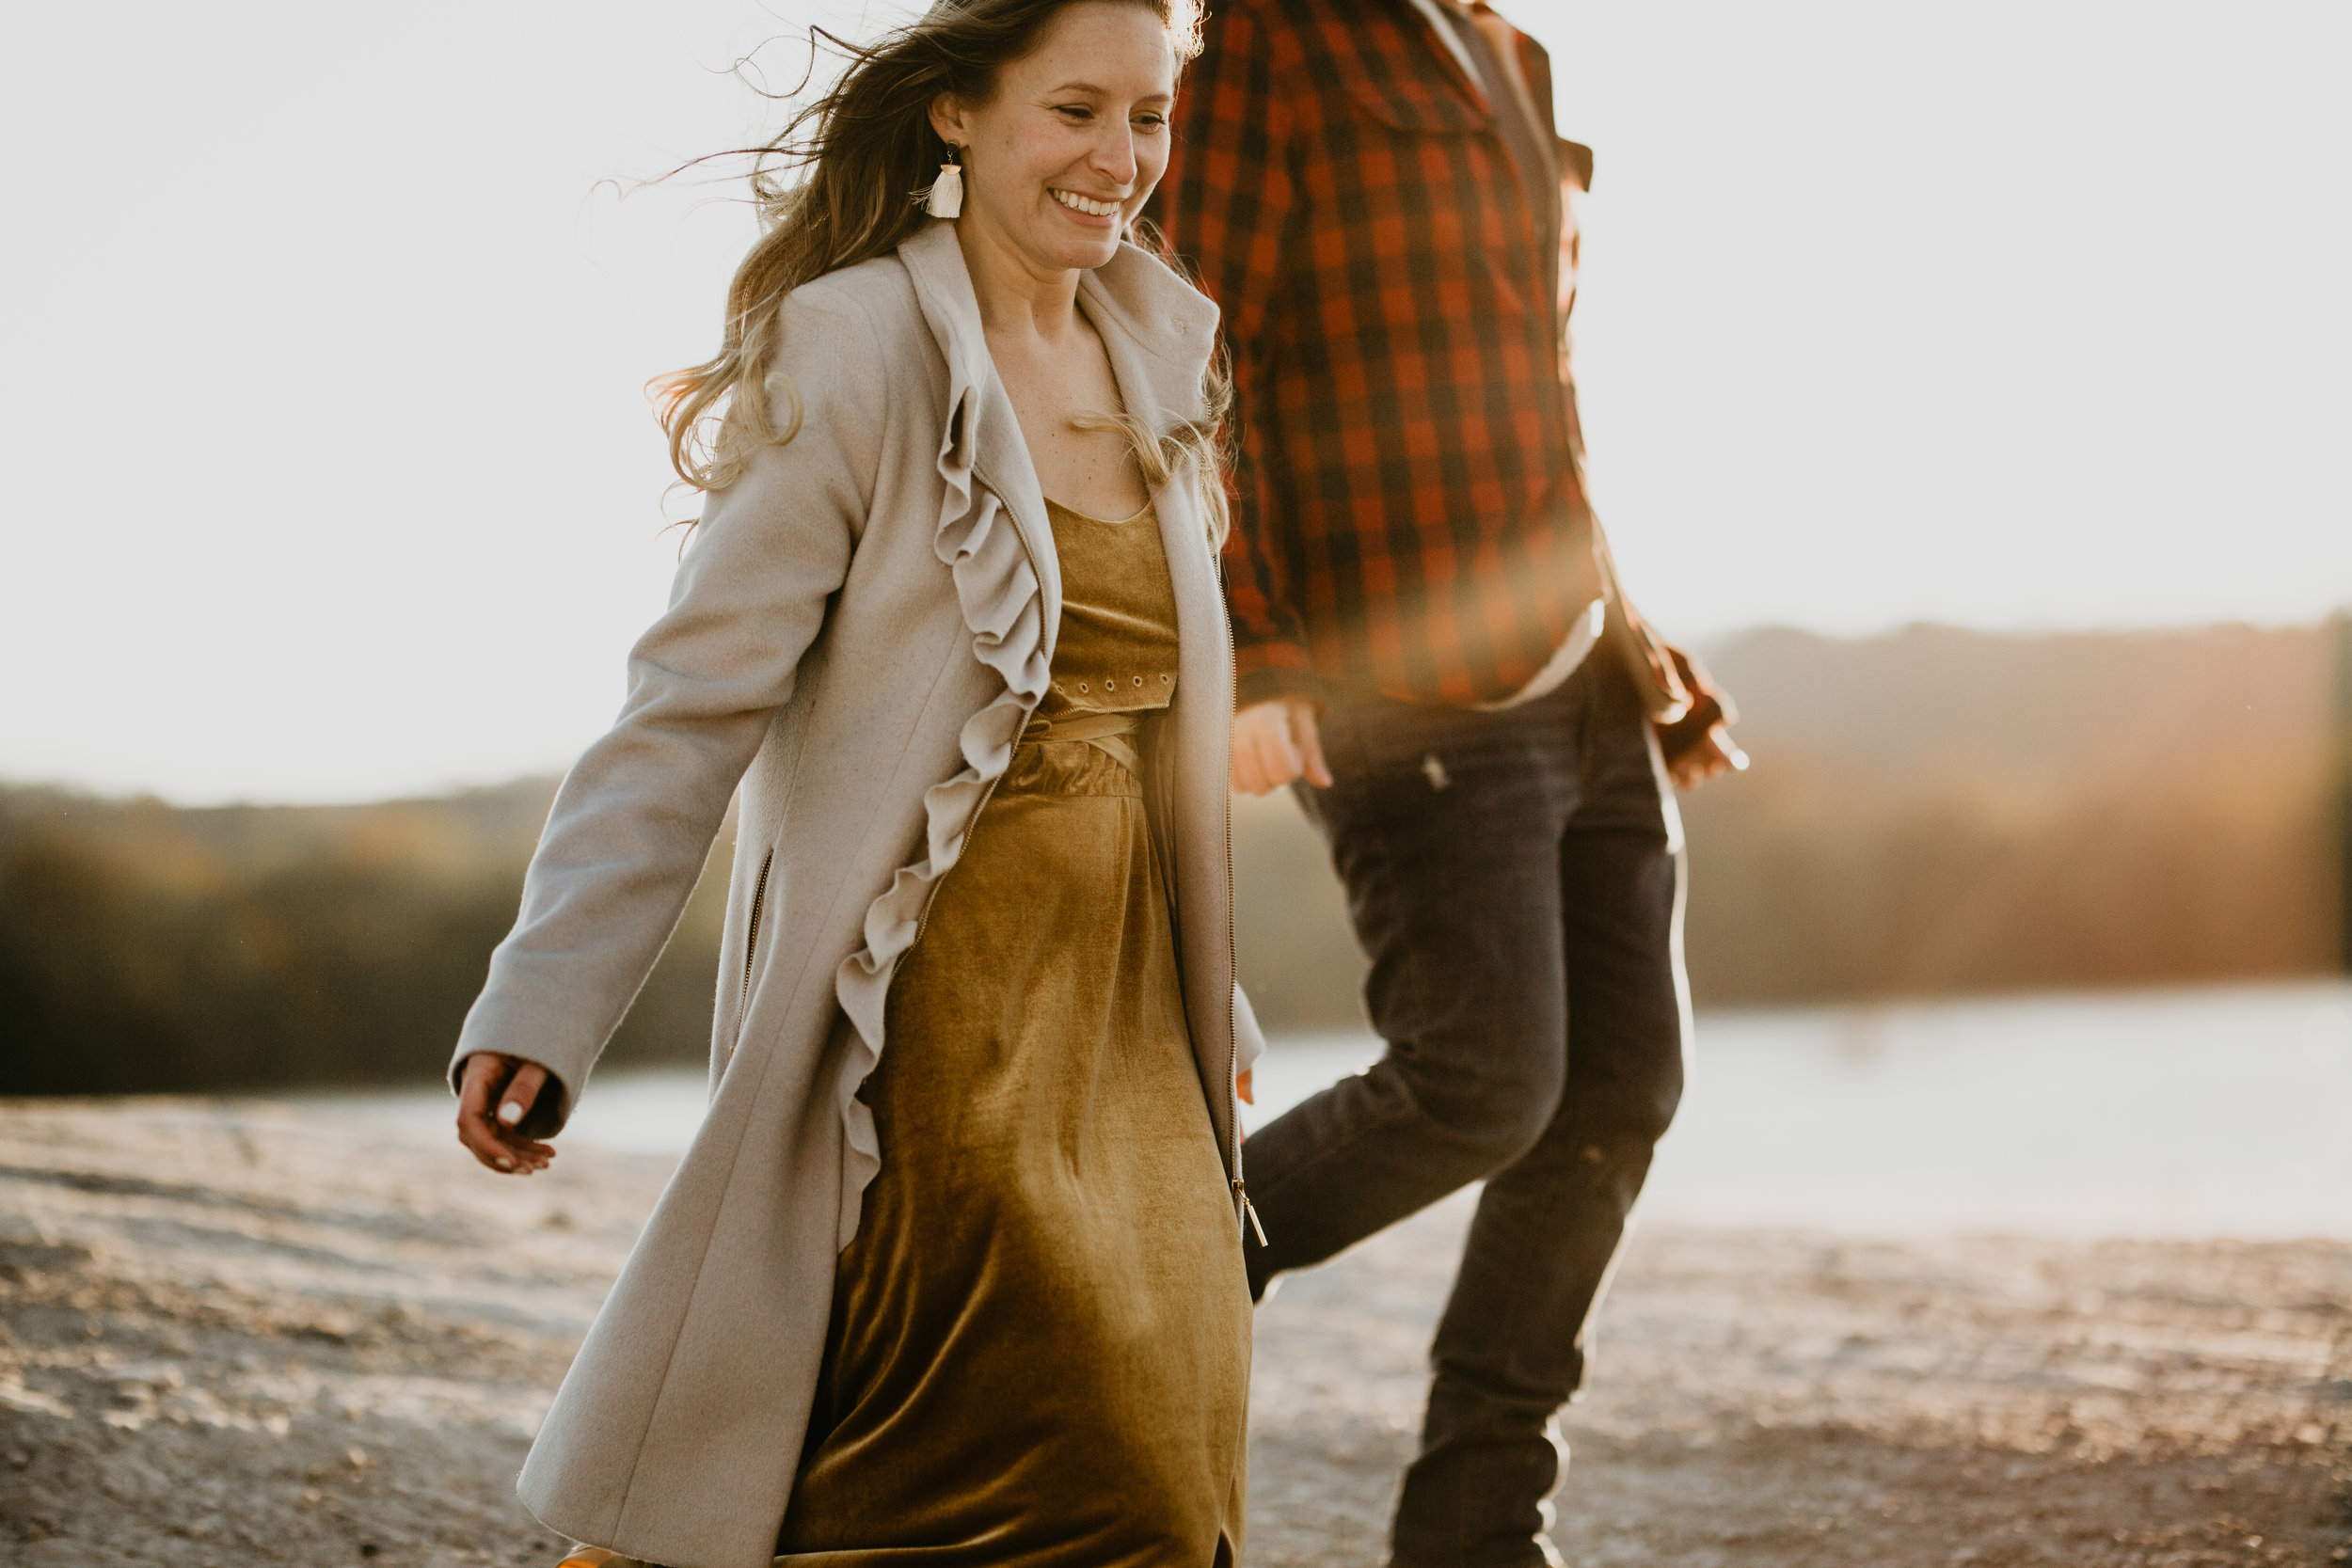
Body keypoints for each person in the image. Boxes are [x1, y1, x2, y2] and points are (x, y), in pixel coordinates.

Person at [447, 4, 1262, 1564]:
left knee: (1165, 1485)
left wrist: (1210, 1002)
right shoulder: (858, 343)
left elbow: (1160, 744)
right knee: (985, 1472)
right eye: (1075, 110)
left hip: (1139, 1033)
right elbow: (691, 705)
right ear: (956, 113)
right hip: (930, 1019)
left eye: (1149, 118)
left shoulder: (1161, 352)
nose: (1120, 159)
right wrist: (542, 1002)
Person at [1146, 1, 1742, 1564]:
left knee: (1620, 1089)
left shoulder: (1509, 53)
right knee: (1483, 1078)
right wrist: (1257, 652)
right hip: (1396, 675)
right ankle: (1112, 1297)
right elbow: (1188, 353)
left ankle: (1477, 1527)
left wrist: (1648, 647)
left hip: (1588, 665)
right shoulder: (1271, 40)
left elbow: (1536, 391)